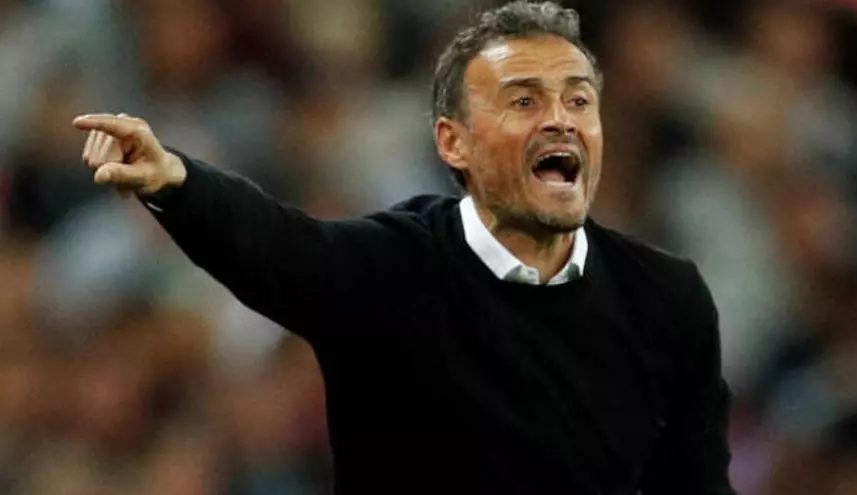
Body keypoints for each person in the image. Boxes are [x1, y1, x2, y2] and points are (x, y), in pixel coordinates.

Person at [71, 1, 735, 493]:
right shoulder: (391, 270)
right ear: (454, 143)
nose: (560, 120)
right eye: (524, 102)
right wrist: (176, 181)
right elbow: (275, 243)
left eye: (578, 101)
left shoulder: (668, 298)